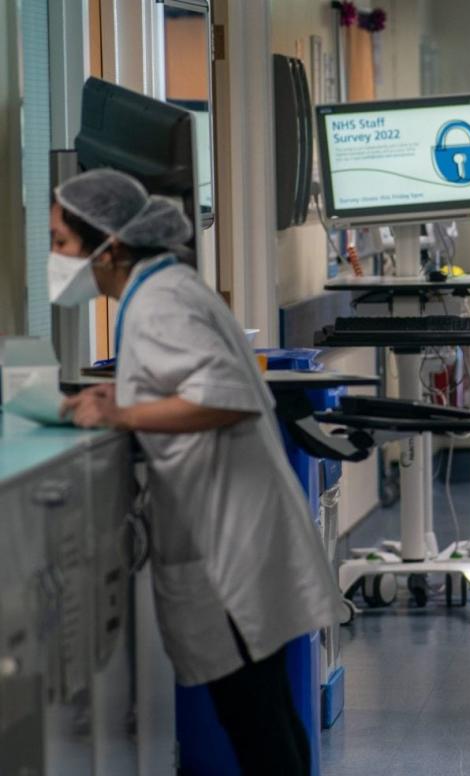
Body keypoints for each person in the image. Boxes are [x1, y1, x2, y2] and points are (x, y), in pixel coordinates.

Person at [52, 168, 338, 776]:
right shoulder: (166, 288)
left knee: (256, 720)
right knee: (265, 713)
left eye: (62, 243)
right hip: (234, 533)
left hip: (228, 548)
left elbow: (225, 395)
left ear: (109, 244)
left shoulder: (157, 303)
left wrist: (124, 413)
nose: (55, 257)